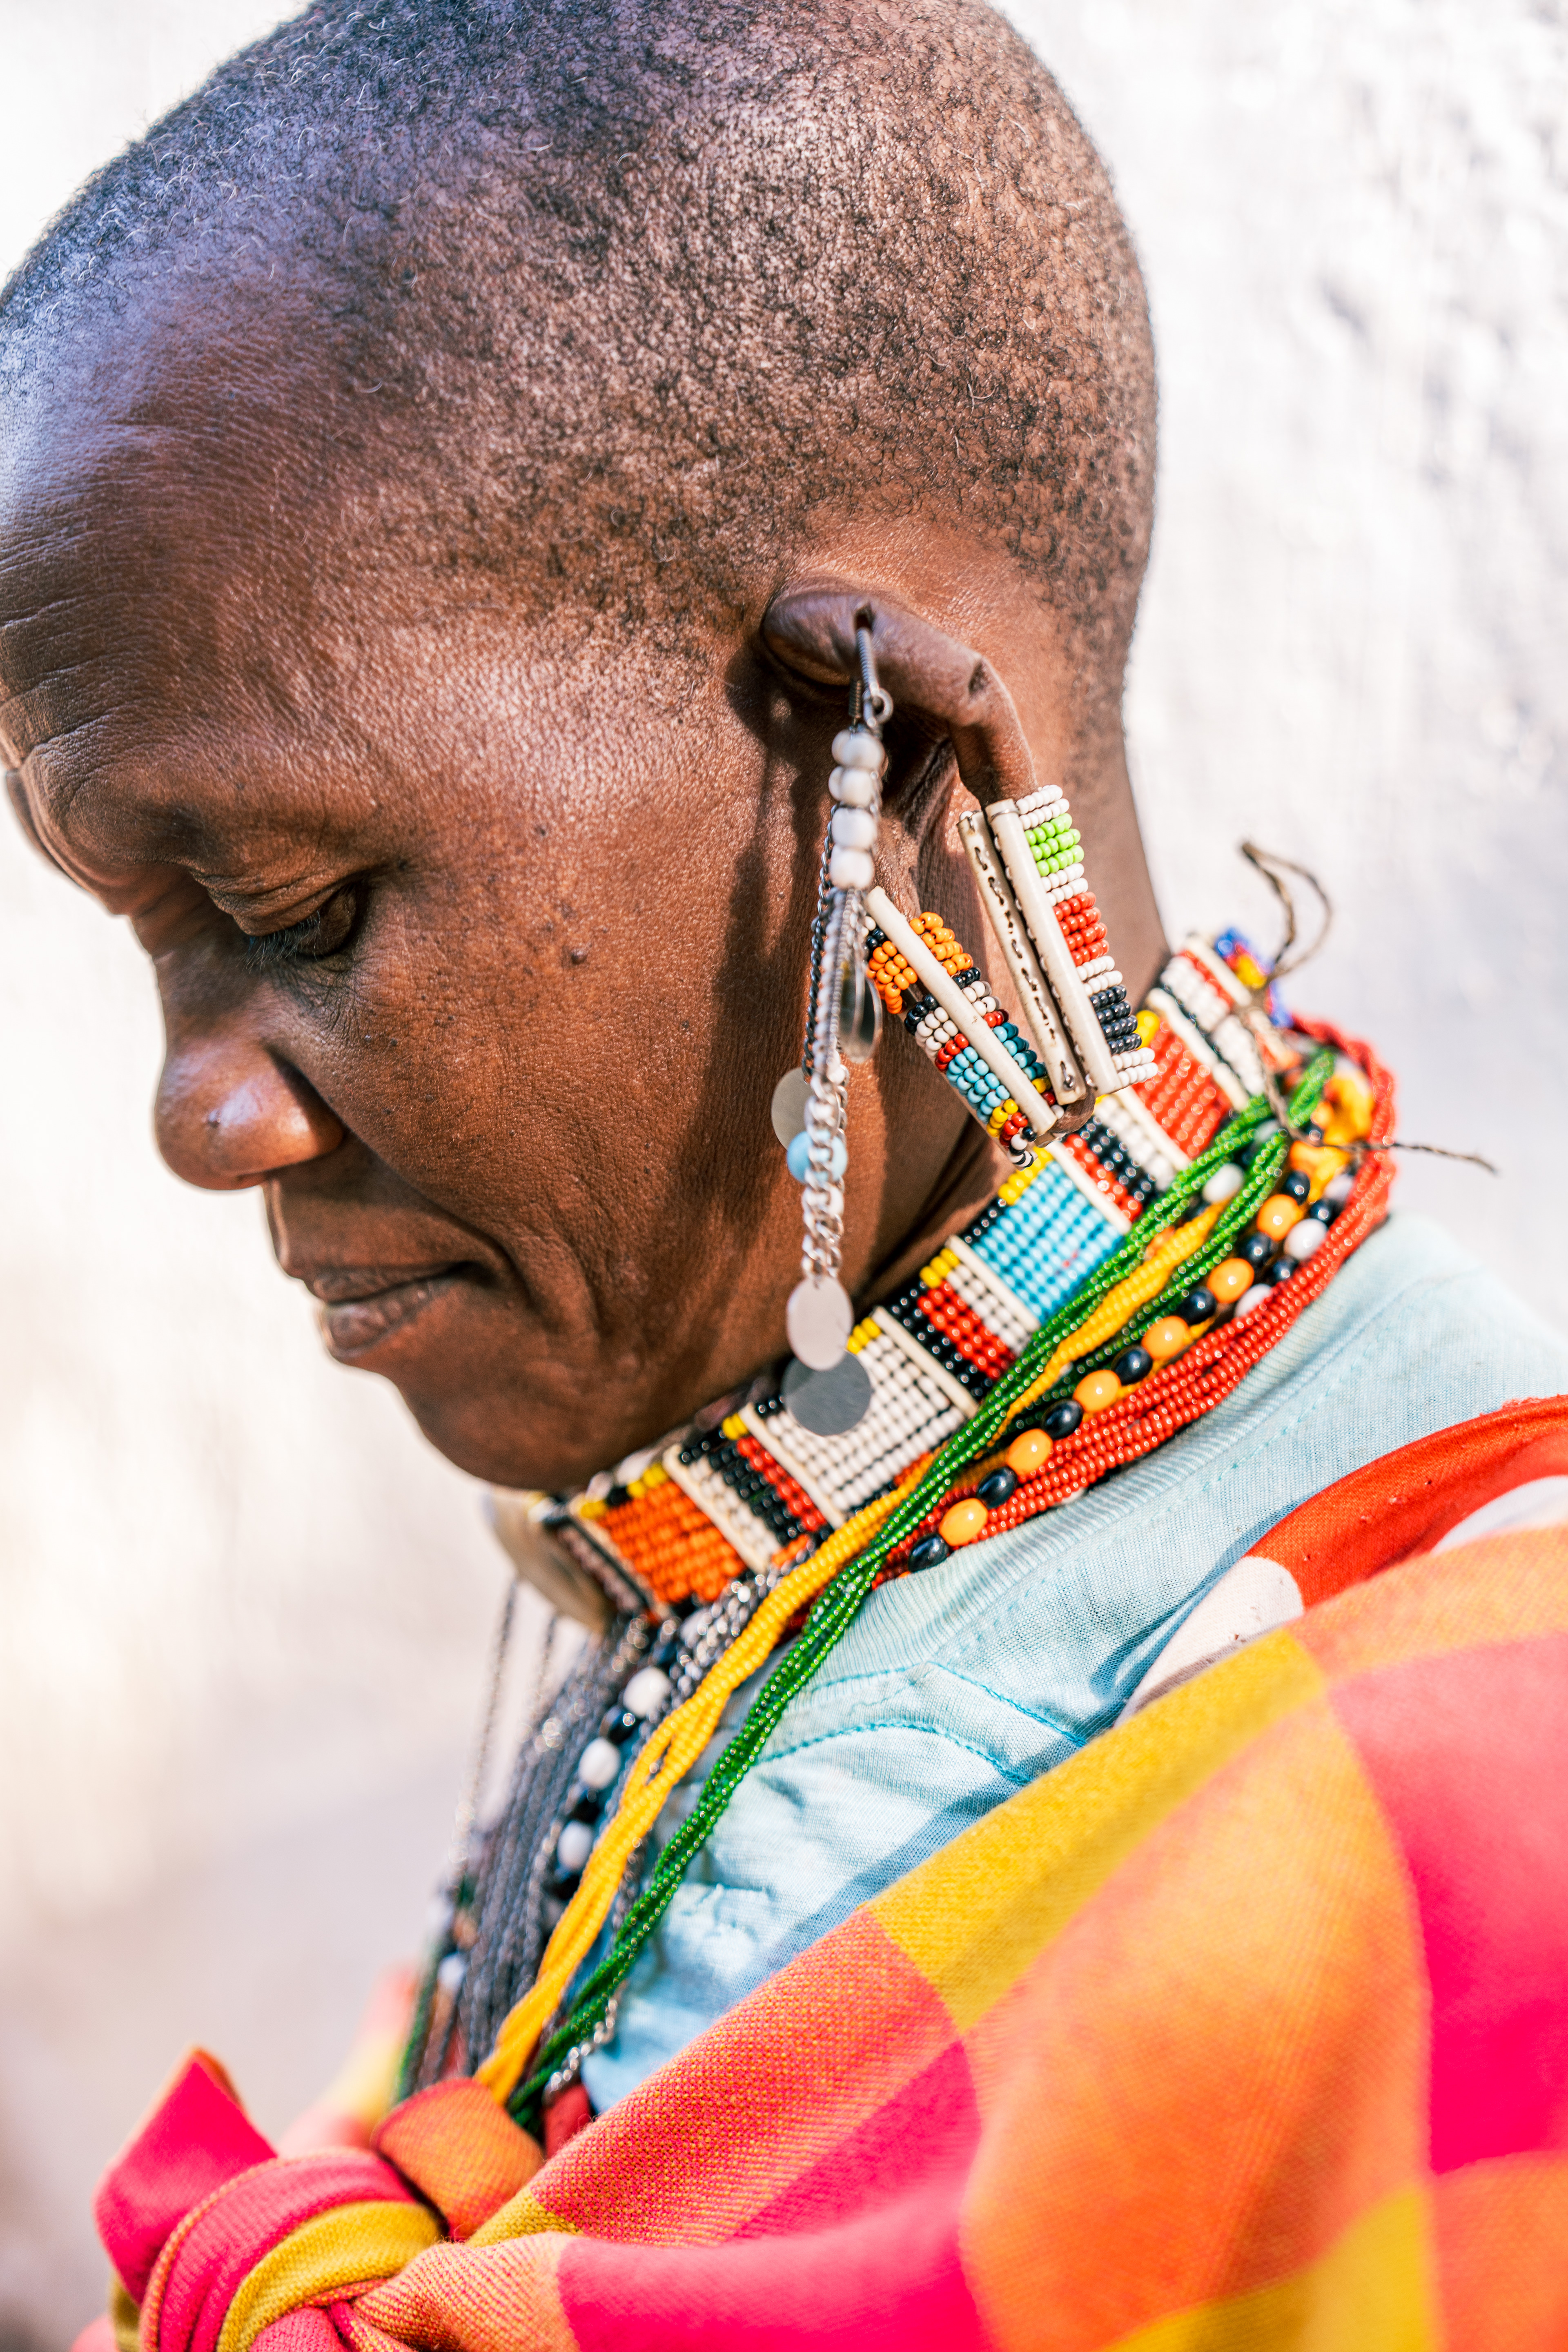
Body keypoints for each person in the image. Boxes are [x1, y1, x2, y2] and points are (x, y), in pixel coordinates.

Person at [4, 0, 1566, 2343]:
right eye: (154, 946)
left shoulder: (1479, 1829)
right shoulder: (732, 1583)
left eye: (306, 916)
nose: (199, 1113)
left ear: (885, 736)